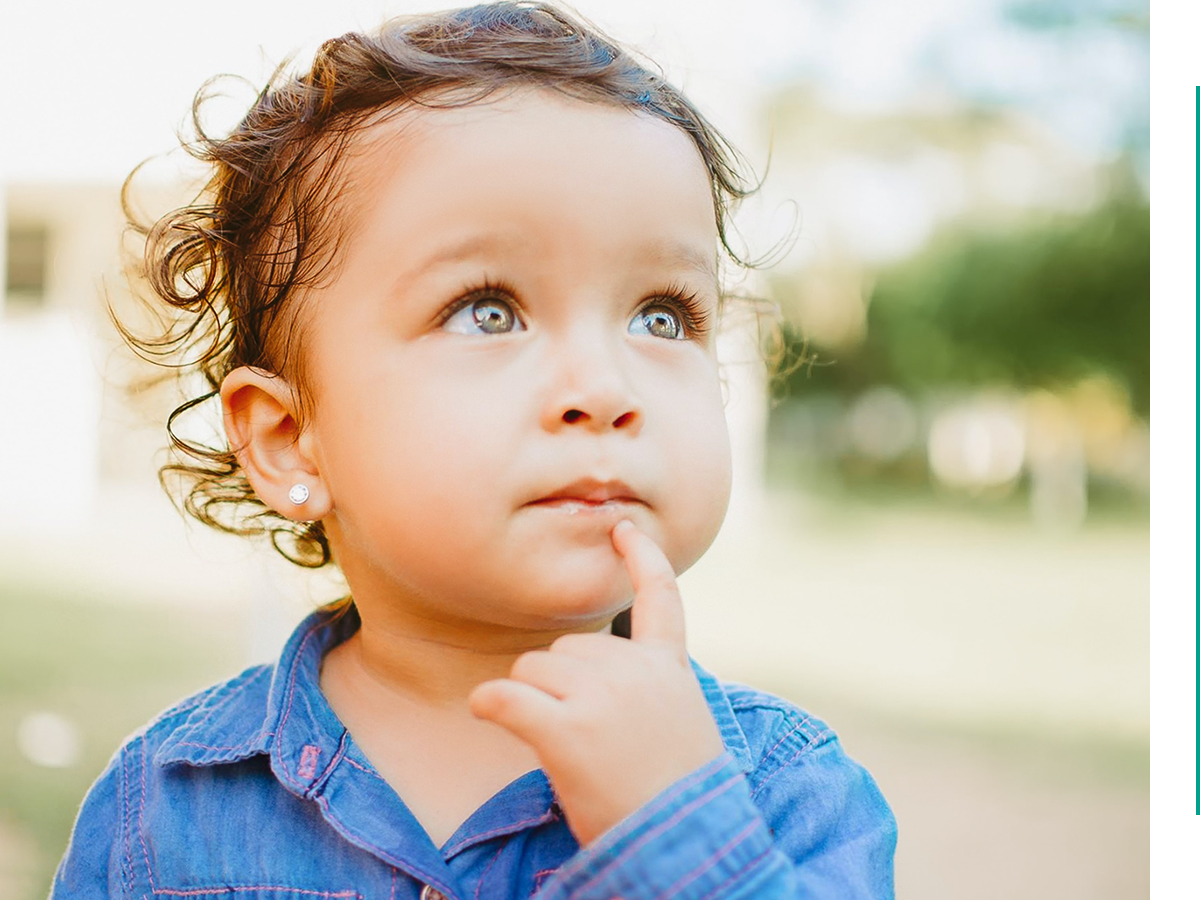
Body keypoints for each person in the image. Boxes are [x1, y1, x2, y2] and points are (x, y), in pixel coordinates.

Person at [53, 3, 896, 897]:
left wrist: (677, 831)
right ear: (291, 439)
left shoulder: (786, 794)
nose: (605, 388)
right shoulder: (165, 810)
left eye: (662, 315)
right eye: (487, 310)